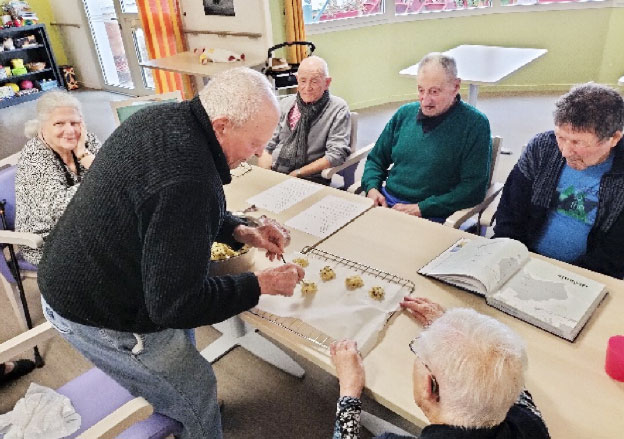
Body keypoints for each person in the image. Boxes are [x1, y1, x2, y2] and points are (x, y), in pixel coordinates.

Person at [37, 68, 305, 439]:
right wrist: (259, 285)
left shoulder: (163, 117)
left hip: (75, 268)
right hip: (97, 310)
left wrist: (240, 229)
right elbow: (175, 305)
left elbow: (159, 210)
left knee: (179, 348)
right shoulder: (190, 180)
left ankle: (184, 406)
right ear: (223, 125)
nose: (259, 153)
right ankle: (193, 415)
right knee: (196, 386)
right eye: (255, 144)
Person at [330, 297, 550, 439]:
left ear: (430, 388)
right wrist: (452, 332)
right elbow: (509, 382)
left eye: (419, 352)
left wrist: (349, 391)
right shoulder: (531, 424)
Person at [494, 83, 624, 279]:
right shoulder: (542, 148)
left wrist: (563, 277)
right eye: (561, 137)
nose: (565, 151)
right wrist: (513, 258)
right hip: (521, 260)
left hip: (586, 276)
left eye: (577, 142)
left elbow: (614, 255)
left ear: (614, 138)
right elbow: (509, 214)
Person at [361, 53, 491, 221]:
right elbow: (375, 160)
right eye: (421, 90)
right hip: (386, 202)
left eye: (434, 92)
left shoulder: (475, 124)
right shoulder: (404, 114)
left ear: (456, 86)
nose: (425, 100)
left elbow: (473, 189)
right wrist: (372, 188)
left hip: (431, 213)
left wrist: (422, 208)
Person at [15, 91, 101, 266]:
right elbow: (58, 208)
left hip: (86, 222)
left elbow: (115, 173)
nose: (69, 130)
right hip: (47, 240)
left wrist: (83, 154)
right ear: (42, 126)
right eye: (59, 123)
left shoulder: (84, 139)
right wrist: (101, 181)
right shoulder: (34, 158)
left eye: (75, 122)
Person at [258, 55, 351, 185]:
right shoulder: (285, 104)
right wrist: (267, 173)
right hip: (275, 171)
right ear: (297, 80)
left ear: (327, 83)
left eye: (314, 81)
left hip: (309, 178)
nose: (307, 87)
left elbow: (336, 154)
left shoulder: (338, 108)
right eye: (303, 81)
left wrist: (298, 173)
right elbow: (268, 146)